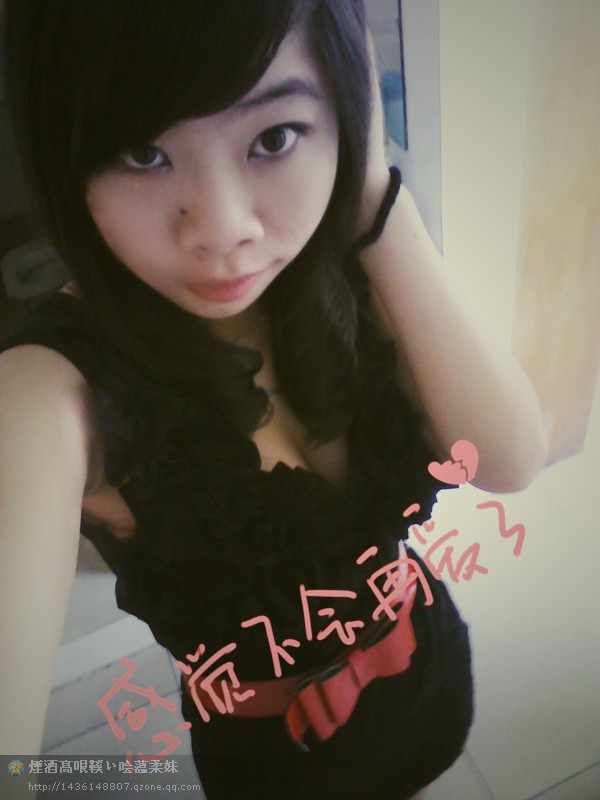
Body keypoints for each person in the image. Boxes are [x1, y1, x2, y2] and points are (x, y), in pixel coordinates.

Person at [0, 1, 548, 798]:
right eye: (143, 153)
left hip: (426, 666)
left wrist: (373, 194)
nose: (223, 230)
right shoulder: (45, 395)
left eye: (274, 137)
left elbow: (511, 459)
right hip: (272, 765)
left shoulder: (350, 260)